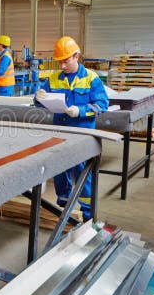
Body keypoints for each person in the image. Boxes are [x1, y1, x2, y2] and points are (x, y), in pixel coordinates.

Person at [34, 36, 108, 221]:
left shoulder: (91, 78)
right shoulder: (53, 79)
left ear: (76, 56)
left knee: (82, 173)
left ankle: (88, 216)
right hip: (61, 133)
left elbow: (102, 104)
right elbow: (40, 104)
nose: (62, 66)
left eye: (65, 61)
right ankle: (64, 209)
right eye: (60, 62)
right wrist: (39, 98)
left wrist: (80, 111)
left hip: (83, 135)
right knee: (60, 169)